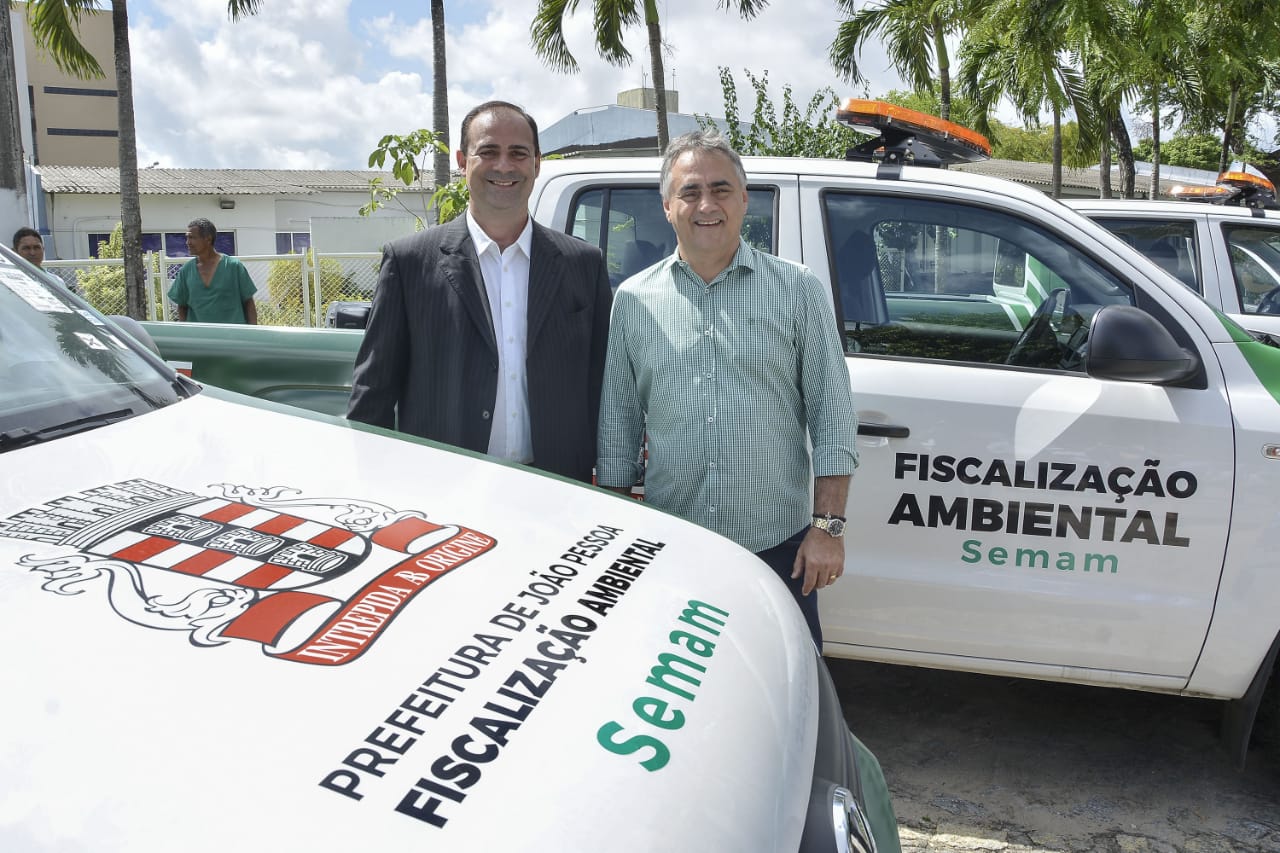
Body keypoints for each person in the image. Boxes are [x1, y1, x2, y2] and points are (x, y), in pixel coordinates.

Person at [596, 129, 858, 647]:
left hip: (778, 548)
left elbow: (832, 416)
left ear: (744, 199)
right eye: (690, 192)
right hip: (673, 547)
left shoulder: (798, 290)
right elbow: (618, 430)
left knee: (786, 682)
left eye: (720, 189)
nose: (706, 205)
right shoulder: (633, 300)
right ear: (667, 206)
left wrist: (827, 528)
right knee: (674, 682)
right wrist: (619, 536)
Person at [348, 101, 612, 484]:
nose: (504, 165)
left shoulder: (583, 265)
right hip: (441, 489)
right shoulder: (409, 263)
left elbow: (603, 387)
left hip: (558, 489)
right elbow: (373, 392)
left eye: (518, 153)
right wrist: (374, 489)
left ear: (537, 163)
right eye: (488, 151)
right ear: (462, 161)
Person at [168, 218, 258, 324]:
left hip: (232, 333)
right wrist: (186, 331)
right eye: (187, 238)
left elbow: (249, 303)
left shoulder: (233, 267)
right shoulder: (186, 271)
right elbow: (182, 307)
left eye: (192, 238)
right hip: (199, 334)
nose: (188, 242)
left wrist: (252, 330)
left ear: (208, 239)